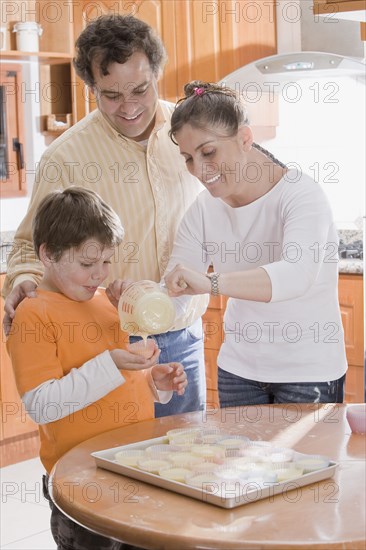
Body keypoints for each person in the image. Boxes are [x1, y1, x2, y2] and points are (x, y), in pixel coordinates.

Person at [2, 14, 208, 417]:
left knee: (188, 460)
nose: (129, 106)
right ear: (91, 87)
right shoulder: (66, 157)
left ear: (157, 72)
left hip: (184, 336)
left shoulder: (192, 135)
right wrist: (24, 281)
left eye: (140, 89)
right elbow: (29, 247)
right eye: (112, 95)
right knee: (108, 464)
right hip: (107, 340)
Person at [6, 187, 187, 550]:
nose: (99, 274)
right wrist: (113, 365)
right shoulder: (34, 313)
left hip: (135, 467)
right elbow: (44, 404)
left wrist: (154, 382)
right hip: (82, 482)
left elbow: (114, 383)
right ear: (48, 255)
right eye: (87, 264)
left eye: (107, 261)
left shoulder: (106, 303)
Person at [163, 80, 348, 406]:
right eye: (189, 158)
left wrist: (210, 283)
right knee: (239, 459)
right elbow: (176, 289)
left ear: (245, 138)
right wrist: (139, 300)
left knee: (303, 459)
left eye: (208, 152)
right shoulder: (204, 210)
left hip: (308, 373)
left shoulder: (300, 195)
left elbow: (295, 275)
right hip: (238, 372)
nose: (200, 170)